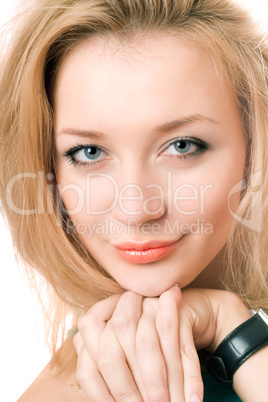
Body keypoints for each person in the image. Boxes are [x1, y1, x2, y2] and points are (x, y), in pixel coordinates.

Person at [1, 0, 268, 400]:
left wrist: (237, 333)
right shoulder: (82, 383)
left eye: (181, 146)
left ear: (255, 145)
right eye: (89, 152)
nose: (137, 210)